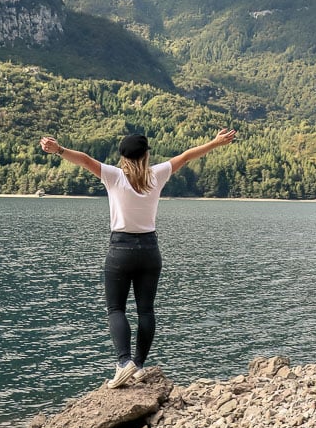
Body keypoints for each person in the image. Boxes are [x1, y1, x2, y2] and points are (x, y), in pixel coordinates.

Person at [39, 127, 236, 387]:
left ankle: (124, 362)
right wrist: (215, 142)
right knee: (146, 310)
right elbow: (187, 156)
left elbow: (85, 160)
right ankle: (140, 365)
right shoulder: (157, 174)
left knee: (116, 308)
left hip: (120, 249)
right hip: (150, 250)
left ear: (122, 157)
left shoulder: (114, 176)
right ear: (146, 155)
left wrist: (59, 150)